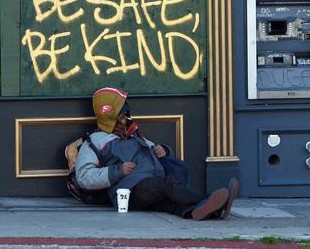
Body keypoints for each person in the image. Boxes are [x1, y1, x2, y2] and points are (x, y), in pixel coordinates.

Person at [74, 87, 239, 220]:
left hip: (150, 183)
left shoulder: (132, 133)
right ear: (110, 115)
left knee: (168, 203)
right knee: (167, 185)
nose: (126, 119)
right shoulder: (94, 142)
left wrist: (164, 150)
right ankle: (209, 200)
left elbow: (153, 148)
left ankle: (208, 212)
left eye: (126, 115)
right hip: (130, 189)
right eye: (122, 115)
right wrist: (118, 170)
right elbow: (83, 177)